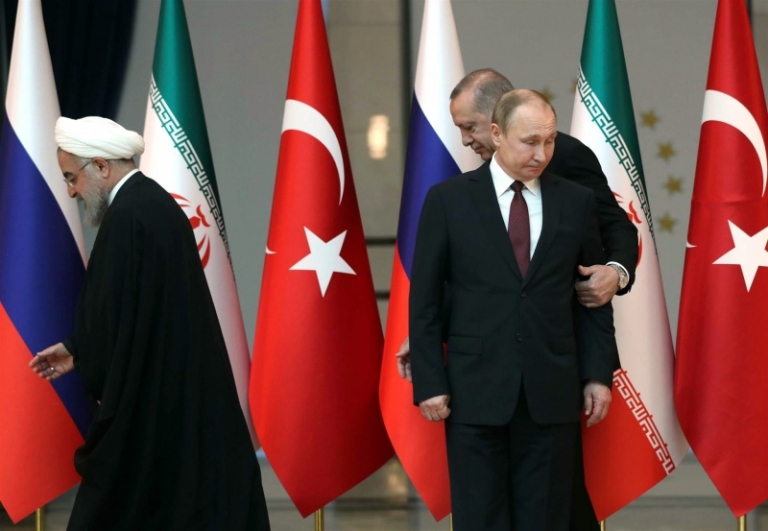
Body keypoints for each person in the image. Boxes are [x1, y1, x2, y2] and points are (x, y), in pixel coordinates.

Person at [397, 69, 638, 530]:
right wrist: (429, 356)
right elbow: (447, 285)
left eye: (468, 126)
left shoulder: (570, 176)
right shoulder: (451, 198)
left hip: (550, 378)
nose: (541, 154)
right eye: (531, 142)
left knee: (549, 512)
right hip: (478, 384)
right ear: (500, 132)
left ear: (492, 120)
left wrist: (615, 273)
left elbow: (610, 240)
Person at [29, 117, 270, 531]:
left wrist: (88, 355)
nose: (70, 191)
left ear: (101, 166)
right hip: (175, 398)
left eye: (71, 177)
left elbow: (110, 313)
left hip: (147, 408)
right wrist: (77, 348)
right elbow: (133, 309)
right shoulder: (152, 204)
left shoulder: (128, 216)